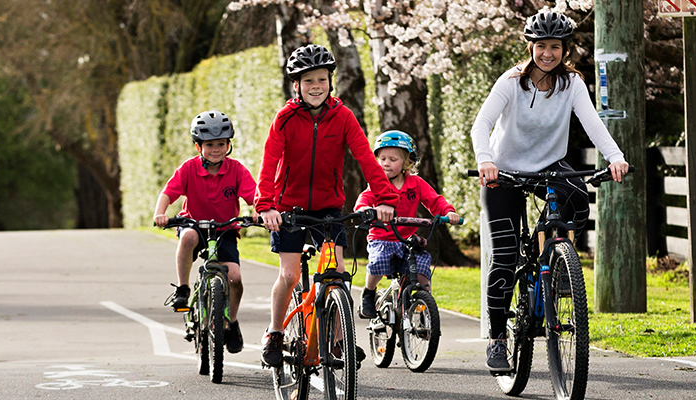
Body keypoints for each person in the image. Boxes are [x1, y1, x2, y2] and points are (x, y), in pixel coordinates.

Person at [470, 10, 630, 371]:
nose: (547, 54)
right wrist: (485, 160)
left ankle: (555, 261)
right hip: (503, 172)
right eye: (541, 46)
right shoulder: (510, 82)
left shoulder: (571, 84)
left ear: (564, 49)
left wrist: (616, 157)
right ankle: (497, 338)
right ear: (530, 46)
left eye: (554, 47)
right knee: (505, 257)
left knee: (578, 197)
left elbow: (592, 123)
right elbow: (481, 124)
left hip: (549, 167)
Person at [255, 44, 398, 367]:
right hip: (288, 209)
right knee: (290, 275)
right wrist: (266, 205)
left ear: (330, 82)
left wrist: (385, 199)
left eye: (321, 79)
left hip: (329, 208)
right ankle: (275, 332)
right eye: (308, 81)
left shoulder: (343, 117)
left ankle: (336, 340)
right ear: (296, 86)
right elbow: (269, 162)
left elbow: (366, 158)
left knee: (336, 274)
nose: (316, 86)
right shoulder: (285, 119)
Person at [154, 110, 257, 355]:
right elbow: (168, 194)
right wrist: (161, 213)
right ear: (198, 146)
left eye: (221, 144)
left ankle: (231, 323)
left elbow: (255, 196)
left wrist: (258, 211)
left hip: (225, 229)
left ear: (228, 144)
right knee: (187, 237)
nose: (216, 149)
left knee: (235, 277)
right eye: (209, 145)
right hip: (195, 225)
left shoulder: (236, 170)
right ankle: (182, 288)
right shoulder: (189, 168)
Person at [354, 130, 460, 319]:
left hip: (407, 240)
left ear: (407, 162)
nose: (386, 163)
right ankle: (369, 292)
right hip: (382, 238)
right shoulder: (377, 185)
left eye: (393, 159)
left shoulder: (415, 184)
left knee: (421, 273)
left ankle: (426, 310)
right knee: (378, 262)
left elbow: (434, 200)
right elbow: (364, 200)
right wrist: (364, 210)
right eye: (383, 158)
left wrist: (448, 212)